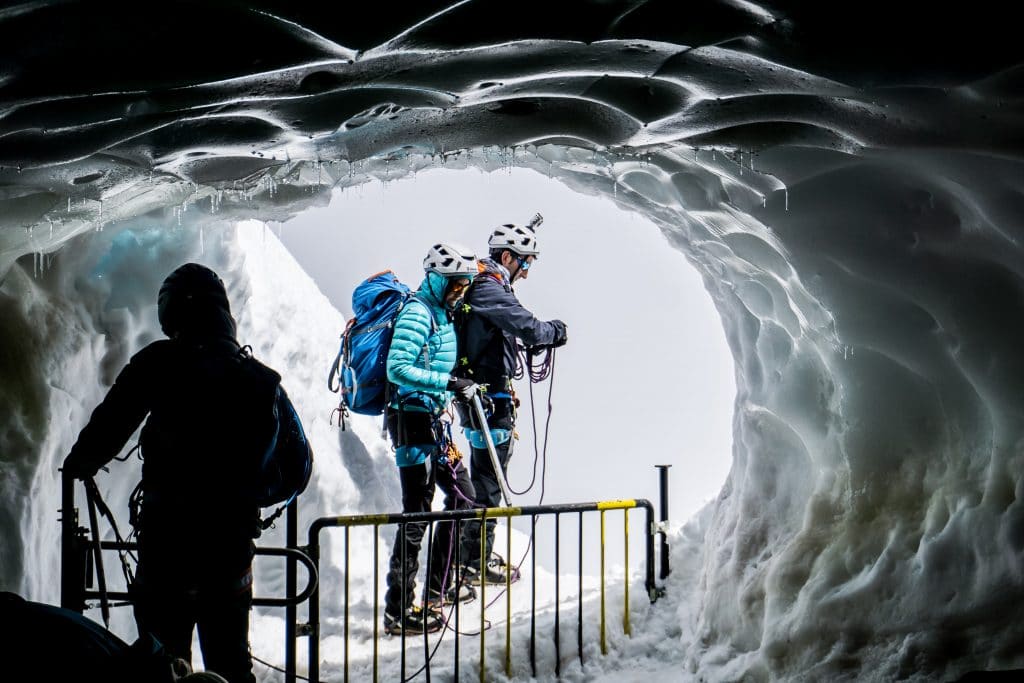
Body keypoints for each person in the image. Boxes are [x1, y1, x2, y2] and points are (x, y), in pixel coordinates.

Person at [62, 263, 266, 683]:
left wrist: (79, 465)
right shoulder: (253, 375)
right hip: (230, 550)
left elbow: (108, 429)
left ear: (172, 311)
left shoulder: (160, 362)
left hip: (168, 547)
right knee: (231, 665)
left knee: (161, 669)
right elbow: (290, 463)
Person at [454, 220, 567, 586]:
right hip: (488, 401)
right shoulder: (488, 287)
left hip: (485, 398)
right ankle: (474, 562)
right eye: (527, 262)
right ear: (508, 256)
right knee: (488, 483)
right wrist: (555, 331)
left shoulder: (485, 285)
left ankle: (475, 556)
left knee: (487, 479)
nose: (528, 272)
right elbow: (528, 326)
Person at [382, 242, 481, 635]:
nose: (460, 292)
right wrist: (449, 381)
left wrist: (455, 387)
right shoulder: (417, 312)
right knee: (416, 516)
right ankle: (398, 610)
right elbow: (397, 368)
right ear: (437, 279)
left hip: (432, 423)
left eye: (464, 286)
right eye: (455, 285)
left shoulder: (439, 312)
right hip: (412, 425)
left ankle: (437, 589)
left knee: (463, 496)